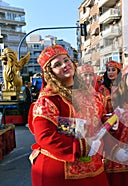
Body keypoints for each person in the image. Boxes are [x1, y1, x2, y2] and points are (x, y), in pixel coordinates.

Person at [28, 45, 110, 186]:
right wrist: (82, 146)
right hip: (61, 171)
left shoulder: (88, 94)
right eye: (57, 65)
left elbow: (94, 121)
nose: (65, 65)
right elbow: (45, 136)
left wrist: (106, 122)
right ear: (50, 73)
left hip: (93, 165)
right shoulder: (48, 99)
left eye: (66, 60)